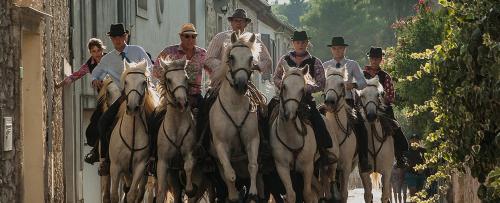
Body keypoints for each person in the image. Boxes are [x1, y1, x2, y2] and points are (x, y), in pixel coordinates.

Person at [147, 23, 211, 173]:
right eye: (187, 36)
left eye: (193, 36)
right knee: (154, 118)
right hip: (172, 98)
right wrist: (170, 78)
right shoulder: (169, 51)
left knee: (208, 118)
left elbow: (212, 71)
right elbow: (155, 70)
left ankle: (206, 154)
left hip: (194, 95)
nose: (190, 39)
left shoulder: (202, 54)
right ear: (181, 37)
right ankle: (152, 156)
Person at [91, 23, 154, 176]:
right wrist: (96, 80)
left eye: (120, 37)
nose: (118, 40)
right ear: (111, 39)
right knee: (103, 121)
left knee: (156, 120)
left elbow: (150, 68)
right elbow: (95, 73)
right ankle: (105, 158)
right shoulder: (108, 59)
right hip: (122, 97)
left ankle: (153, 159)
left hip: (142, 96)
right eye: (114, 37)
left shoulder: (137, 51)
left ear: (125, 37)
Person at [271, 30, 336, 165]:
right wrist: (284, 85)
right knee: (270, 114)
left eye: (303, 42)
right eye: (298, 42)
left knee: (318, 121)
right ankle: (266, 149)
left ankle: (324, 151)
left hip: (305, 100)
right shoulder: (284, 60)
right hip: (285, 98)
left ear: (307, 44)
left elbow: (321, 83)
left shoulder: (315, 62)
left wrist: (306, 88)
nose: (300, 45)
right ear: (293, 43)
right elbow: (276, 77)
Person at [322, 36, 372, 172]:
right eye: (335, 49)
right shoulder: (325, 66)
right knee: (318, 123)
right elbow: (319, 83)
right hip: (329, 101)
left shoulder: (352, 64)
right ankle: (320, 156)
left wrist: (353, 85)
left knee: (361, 125)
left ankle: (363, 159)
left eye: (340, 48)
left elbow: (363, 82)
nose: (338, 51)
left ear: (345, 49)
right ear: (332, 50)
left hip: (348, 102)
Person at [56, 38, 107, 164]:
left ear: (102, 49)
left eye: (98, 50)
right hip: (103, 99)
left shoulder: (110, 59)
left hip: (116, 94)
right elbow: (75, 75)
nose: (97, 54)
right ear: (91, 52)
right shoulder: (89, 65)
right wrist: (60, 84)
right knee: (95, 124)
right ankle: (97, 151)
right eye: (93, 51)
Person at [363, 47, 409, 168]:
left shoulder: (385, 76)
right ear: (369, 59)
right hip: (364, 108)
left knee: (395, 127)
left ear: (381, 60)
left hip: (383, 109)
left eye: (377, 58)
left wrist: (383, 97)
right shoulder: (361, 75)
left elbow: (391, 96)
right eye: (372, 58)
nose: (374, 60)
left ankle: (400, 156)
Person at [405, 134, 426, 198]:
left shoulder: (423, 151)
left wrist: (423, 168)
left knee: (419, 194)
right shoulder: (406, 151)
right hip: (410, 174)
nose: (414, 141)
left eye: (416, 139)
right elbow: (404, 162)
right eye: (413, 139)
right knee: (413, 192)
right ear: (410, 141)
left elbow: (426, 162)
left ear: (419, 141)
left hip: (421, 174)